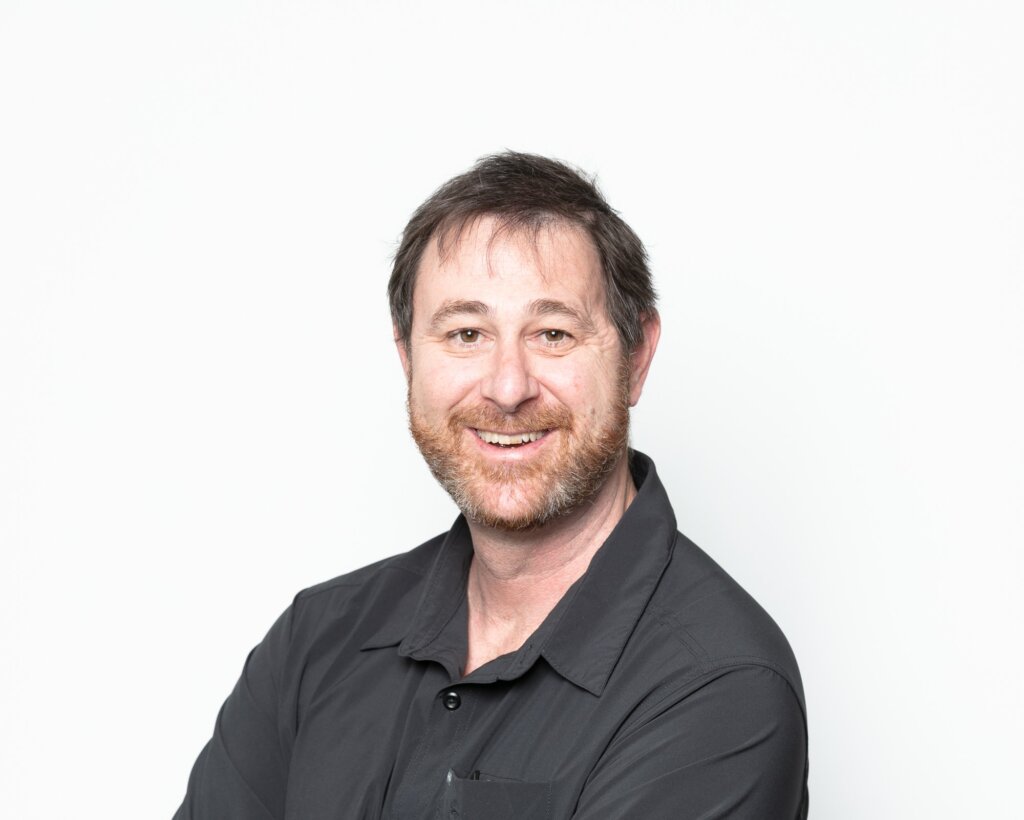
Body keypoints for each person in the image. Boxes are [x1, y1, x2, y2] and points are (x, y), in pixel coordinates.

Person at [173, 152, 809, 819]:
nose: (508, 388)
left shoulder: (718, 686)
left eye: (553, 333)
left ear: (636, 357)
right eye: (466, 333)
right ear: (407, 358)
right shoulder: (317, 641)